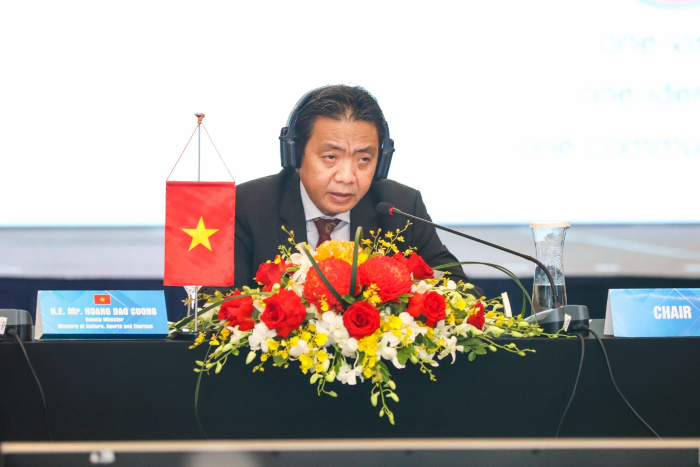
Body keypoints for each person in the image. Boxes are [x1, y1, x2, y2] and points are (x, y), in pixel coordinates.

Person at [231, 84, 469, 290]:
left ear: (381, 162)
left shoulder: (402, 207)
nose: (347, 177)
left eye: (363, 159)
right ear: (295, 155)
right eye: (330, 157)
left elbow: (462, 293)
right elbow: (219, 310)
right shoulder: (247, 207)